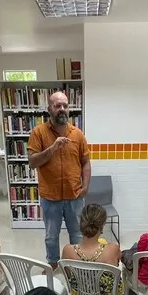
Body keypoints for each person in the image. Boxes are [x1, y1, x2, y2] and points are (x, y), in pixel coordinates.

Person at [27, 91, 91, 270]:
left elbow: (85, 162)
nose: (62, 109)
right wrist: (53, 148)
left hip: (75, 196)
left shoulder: (77, 134)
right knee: (51, 236)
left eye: (65, 105)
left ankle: (76, 264)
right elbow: (32, 162)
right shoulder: (38, 132)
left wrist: (85, 186)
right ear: (49, 109)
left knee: (77, 234)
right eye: (57, 106)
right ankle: (53, 265)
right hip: (50, 197)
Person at [62, 204, 124, 295]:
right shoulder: (113, 249)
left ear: (81, 223)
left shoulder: (68, 251)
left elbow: (68, 275)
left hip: (79, 294)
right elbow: (117, 265)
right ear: (102, 225)